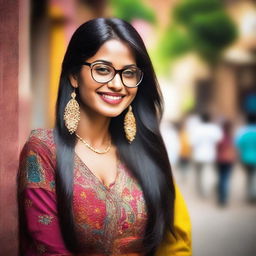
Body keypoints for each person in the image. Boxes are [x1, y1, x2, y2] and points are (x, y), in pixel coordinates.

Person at [17, 18, 191, 256]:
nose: (117, 84)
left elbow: (173, 243)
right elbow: (48, 249)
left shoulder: (146, 150)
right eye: (102, 69)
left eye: (128, 73)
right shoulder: (44, 150)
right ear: (74, 76)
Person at [189, 112, 223, 197]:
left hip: (198, 155)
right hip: (210, 155)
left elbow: (192, 143)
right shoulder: (214, 129)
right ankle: (206, 190)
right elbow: (219, 141)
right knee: (208, 173)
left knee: (199, 174)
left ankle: (200, 190)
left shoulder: (197, 129)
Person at [235, 113, 256, 203]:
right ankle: (253, 194)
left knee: (248, 177)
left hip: (246, 158)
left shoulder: (242, 132)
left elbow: (238, 145)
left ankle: (249, 194)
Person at [216, 120, 236, 206]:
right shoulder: (232, 137)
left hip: (221, 160)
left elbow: (218, 148)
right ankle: (223, 198)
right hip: (229, 160)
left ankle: (222, 198)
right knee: (225, 179)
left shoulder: (221, 137)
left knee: (221, 178)